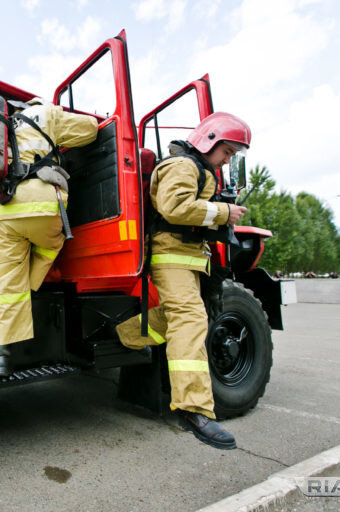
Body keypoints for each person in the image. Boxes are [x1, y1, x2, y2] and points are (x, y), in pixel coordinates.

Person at [114, 112, 250, 450]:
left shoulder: (197, 169)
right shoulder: (182, 166)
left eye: (233, 155)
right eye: (227, 152)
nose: (226, 160)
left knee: (184, 318)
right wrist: (223, 213)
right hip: (172, 256)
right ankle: (193, 409)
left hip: (188, 259)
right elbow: (174, 208)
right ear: (208, 139)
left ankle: (124, 335)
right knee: (189, 321)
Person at [0, 98, 98, 377]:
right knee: (53, 242)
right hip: (41, 204)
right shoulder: (47, 113)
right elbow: (91, 129)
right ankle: (30, 288)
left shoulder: (0, 125)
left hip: (3, 208)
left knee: (6, 277)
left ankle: (2, 353)